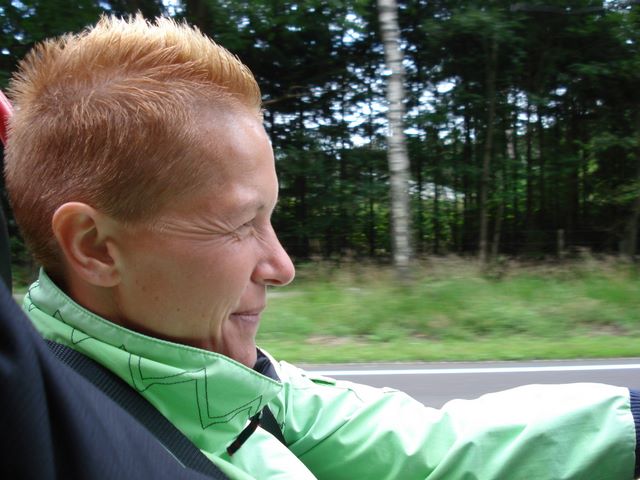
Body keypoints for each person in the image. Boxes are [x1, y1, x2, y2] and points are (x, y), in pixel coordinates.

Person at [2, 15, 639, 479]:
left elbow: (429, 444)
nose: (282, 267)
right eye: (240, 225)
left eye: (271, 218)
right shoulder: (50, 438)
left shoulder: (224, 385)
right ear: (95, 247)